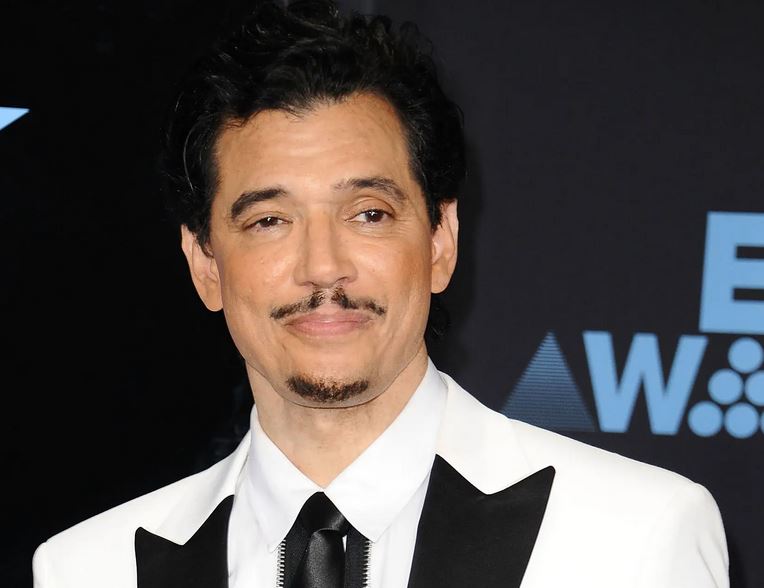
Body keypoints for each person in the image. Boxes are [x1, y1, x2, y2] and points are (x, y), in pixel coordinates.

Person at [32, 1, 729, 587]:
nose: (323, 268)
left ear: (440, 241)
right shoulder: (88, 570)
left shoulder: (636, 537)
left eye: (368, 213)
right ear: (205, 264)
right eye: (270, 221)